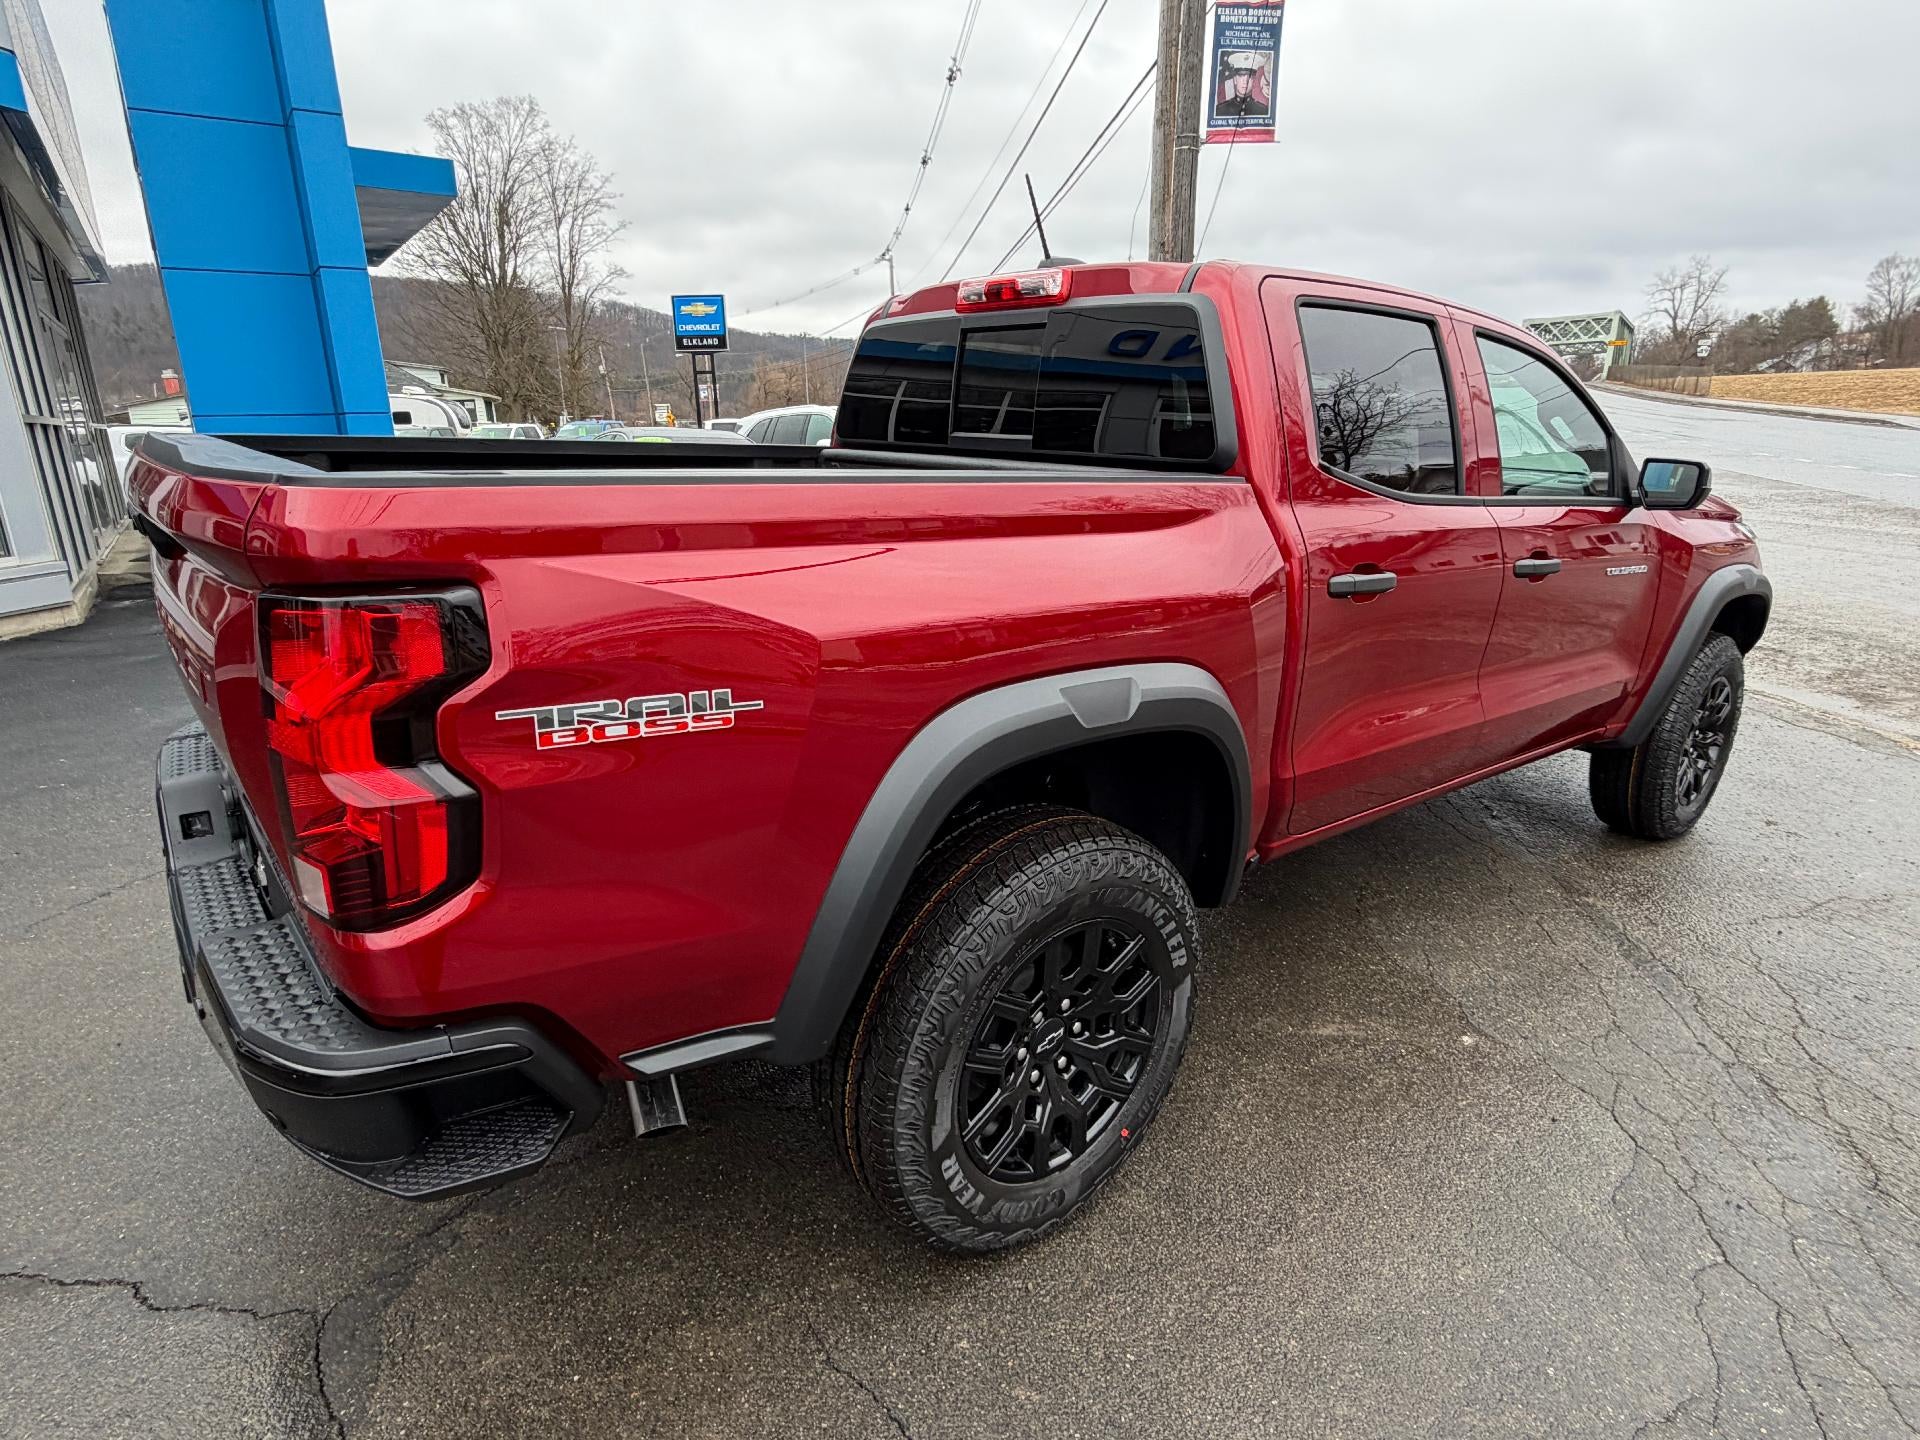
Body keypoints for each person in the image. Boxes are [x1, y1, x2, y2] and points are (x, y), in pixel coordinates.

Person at [1216, 50, 1271, 118]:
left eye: (1249, 77)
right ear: (1235, 79)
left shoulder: (1263, 111)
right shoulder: (1220, 110)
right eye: (1241, 76)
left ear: (1253, 80)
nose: (1245, 81)